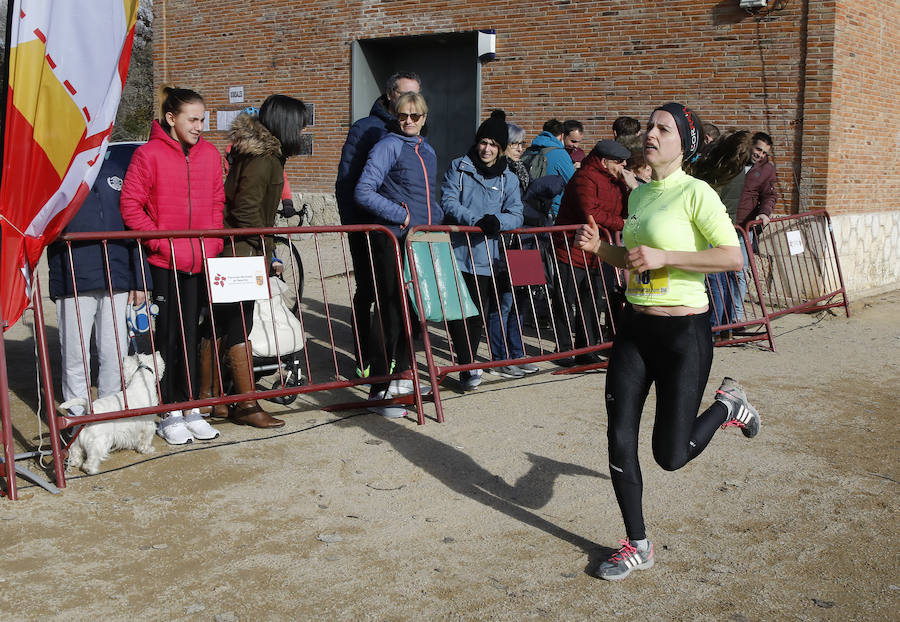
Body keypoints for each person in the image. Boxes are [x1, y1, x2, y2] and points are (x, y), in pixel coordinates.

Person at [574, 102, 761, 581]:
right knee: (618, 438)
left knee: (670, 456)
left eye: (663, 129)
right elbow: (637, 259)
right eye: (651, 127)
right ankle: (637, 545)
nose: (651, 134)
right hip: (636, 328)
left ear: (684, 143)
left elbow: (732, 257)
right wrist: (602, 250)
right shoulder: (638, 196)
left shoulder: (696, 193)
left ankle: (728, 405)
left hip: (683, 333)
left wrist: (665, 255)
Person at [120, 87, 224, 445]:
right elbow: (131, 206)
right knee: (166, 338)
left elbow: (217, 202)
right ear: (171, 118)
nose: (199, 127)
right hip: (165, 262)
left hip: (200, 259)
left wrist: (212, 243)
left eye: (202, 120)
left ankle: (191, 405)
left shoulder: (210, 154)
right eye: (192, 119)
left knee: (193, 337)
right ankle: (169, 411)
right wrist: (162, 242)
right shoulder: (147, 155)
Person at [211, 94, 309, 429]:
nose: (304, 128)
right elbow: (246, 209)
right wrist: (265, 250)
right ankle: (245, 403)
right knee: (239, 324)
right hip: (242, 251)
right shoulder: (263, 157)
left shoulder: (264, 154)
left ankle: (221, 402)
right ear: (286, 123)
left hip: (242, 248)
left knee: (226, 324)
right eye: (300, 122)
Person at [354, 91, 441, 418]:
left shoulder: (426, 148)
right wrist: (401, 215)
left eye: (414, 116)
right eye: (402, 115)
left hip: (419, 240)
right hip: (393, 238)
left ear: (424, 117)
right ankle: (380, 387)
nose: (407, 121)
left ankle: (403, 377)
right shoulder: (388, 144)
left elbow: (428, 196)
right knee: (390, 310)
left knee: (415, 310)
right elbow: (363, 191)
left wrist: (437, 219)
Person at [48, 144, 151, 419]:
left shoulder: (119, 171)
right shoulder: (59, 175)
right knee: (75, 353)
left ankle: (109, 411)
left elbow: (133, 222)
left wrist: (141, 278)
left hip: (117, 276)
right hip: (73, 277)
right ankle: (77, 415)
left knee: (114, 351)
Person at [336, 71, 422, 379]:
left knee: (400, 294)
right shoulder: (366, 129)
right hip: (371, 228)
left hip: (404, 231)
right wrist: (356, 228)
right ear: (389, 96)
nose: (410, 104)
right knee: (369, 291)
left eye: (416, 95)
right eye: (404, 95)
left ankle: (398, 356)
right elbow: (348, 183)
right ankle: (365, 357)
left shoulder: (416, 131)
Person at [442, 110, 524, 390]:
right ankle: (466, 361)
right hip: (456, 251)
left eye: (493, 144)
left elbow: (517, 214)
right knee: (456, 311)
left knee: (476, 312)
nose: (487, 148)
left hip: (487, 257)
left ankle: (468, 366)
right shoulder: (459, 167)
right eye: (483, 142)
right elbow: (449, 201)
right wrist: (474, 220)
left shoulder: (509, 179)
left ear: (501, 149)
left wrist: (497, 222)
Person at [553, 139, 635, 363]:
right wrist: (623, 224)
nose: (623, 166)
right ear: (604, 161)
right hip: (571, 247)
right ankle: (564, 349)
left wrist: (632, 189)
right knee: (565, 298)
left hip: (597, 251)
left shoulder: (617, 181)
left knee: (591, 300)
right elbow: (591, 212)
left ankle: (586, 348)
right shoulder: (585, 177)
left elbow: (628, 209)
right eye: (619, 162)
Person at [483, 122, 538, 378]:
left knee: (520, 301)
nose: (519, 149)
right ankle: (500, 357)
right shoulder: (500, 174)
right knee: (502, 302)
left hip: (525, 242)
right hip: (506, 243)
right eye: (515, 144)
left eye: (521, 144)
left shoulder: (522, 171)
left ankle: (517, 353)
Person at [692, 131, 755, 334]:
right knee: (726, 280)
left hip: (715, 226)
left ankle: (716, 326)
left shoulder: (722, 169)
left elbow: (712, 197)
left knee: (716, 279)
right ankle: (726, 323)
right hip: (729, 225)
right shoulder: (737, 168)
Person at [733, 131, 779, 321]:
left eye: (764, 152)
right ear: (751, 145)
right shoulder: (734, 160)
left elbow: (770, 195)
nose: (759, 154)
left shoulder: (767, 169)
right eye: (758, 149)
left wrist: (764, 213)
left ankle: (736, 317)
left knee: (740, 271)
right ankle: (717, 316)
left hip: (745, 227)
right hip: (722, 222)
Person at [522, 119, 575, 218]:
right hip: (552, 211)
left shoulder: (529, 150)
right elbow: (574, 183)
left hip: (528, 208)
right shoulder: (560, 154)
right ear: (562, 136)